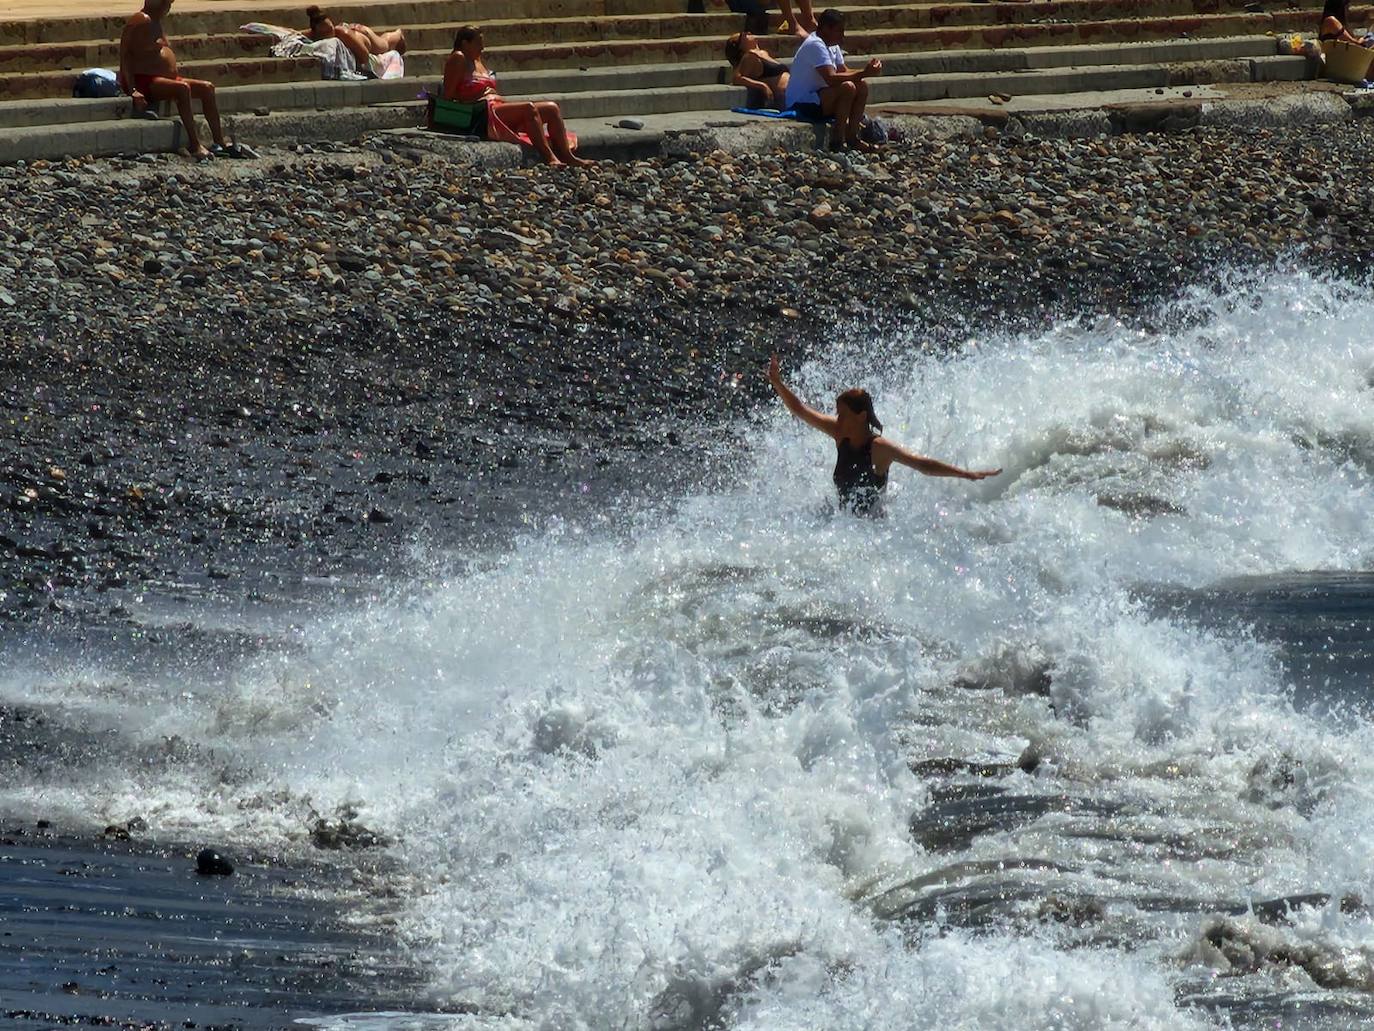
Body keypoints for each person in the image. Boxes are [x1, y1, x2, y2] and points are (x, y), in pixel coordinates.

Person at [768, 355, 1001, 515]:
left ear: (860, 417)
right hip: (843, 523)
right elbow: (800, 410)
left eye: (843, 414)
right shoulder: (840, 433)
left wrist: (966, 474)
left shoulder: (879, 448)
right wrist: (777, 383)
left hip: (872, 530)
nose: (837, 419)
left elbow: (922, 465)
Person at [442, 25, 589, 167]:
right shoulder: (458, 58)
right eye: (478, 43)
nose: (482, 48)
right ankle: (549, 157)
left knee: (552, 108)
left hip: (497, 107)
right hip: (481, 113)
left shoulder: (477, 60)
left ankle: (568, 156)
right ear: (465, 43)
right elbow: (448, 94)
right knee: (528, 108)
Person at [117, 0, 248, 160]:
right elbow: (125, 56)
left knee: (207, 88)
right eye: (166, 3)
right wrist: (133, 90)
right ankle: (194, 144)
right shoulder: (141, 20)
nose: (168, 7)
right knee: (182, 88)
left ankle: (219, 141)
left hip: (163, 78)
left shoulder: (156, 21)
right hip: (143, 81)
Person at [782, 8, 883, 151]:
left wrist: (866, 72)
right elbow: (831, 78)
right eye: (839, 31)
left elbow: (844, 71)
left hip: (822, 97)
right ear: (825, 29)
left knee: (861, 86)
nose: (842, 36)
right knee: (848, 87)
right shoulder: (815, 44)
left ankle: (852, 137)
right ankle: (837, 139)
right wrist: (864, 72)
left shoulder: (833, 46)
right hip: (803, 103)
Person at [305, 6, 407, 67]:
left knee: (384, 44)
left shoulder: (342, 34)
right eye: (325, 32)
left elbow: (364, 57)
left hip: (363, 36)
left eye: (331, 28)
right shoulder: (314, 33)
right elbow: (294, 32)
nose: (329, 33)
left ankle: (397, 34)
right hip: (352, 31)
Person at [725, 30, 789, 108]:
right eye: (744, 35)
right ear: (740, 46)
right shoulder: (749, 57)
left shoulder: (763, 53)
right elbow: (737, 78)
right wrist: (762, 86)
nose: (749, 33)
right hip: (785, 96)